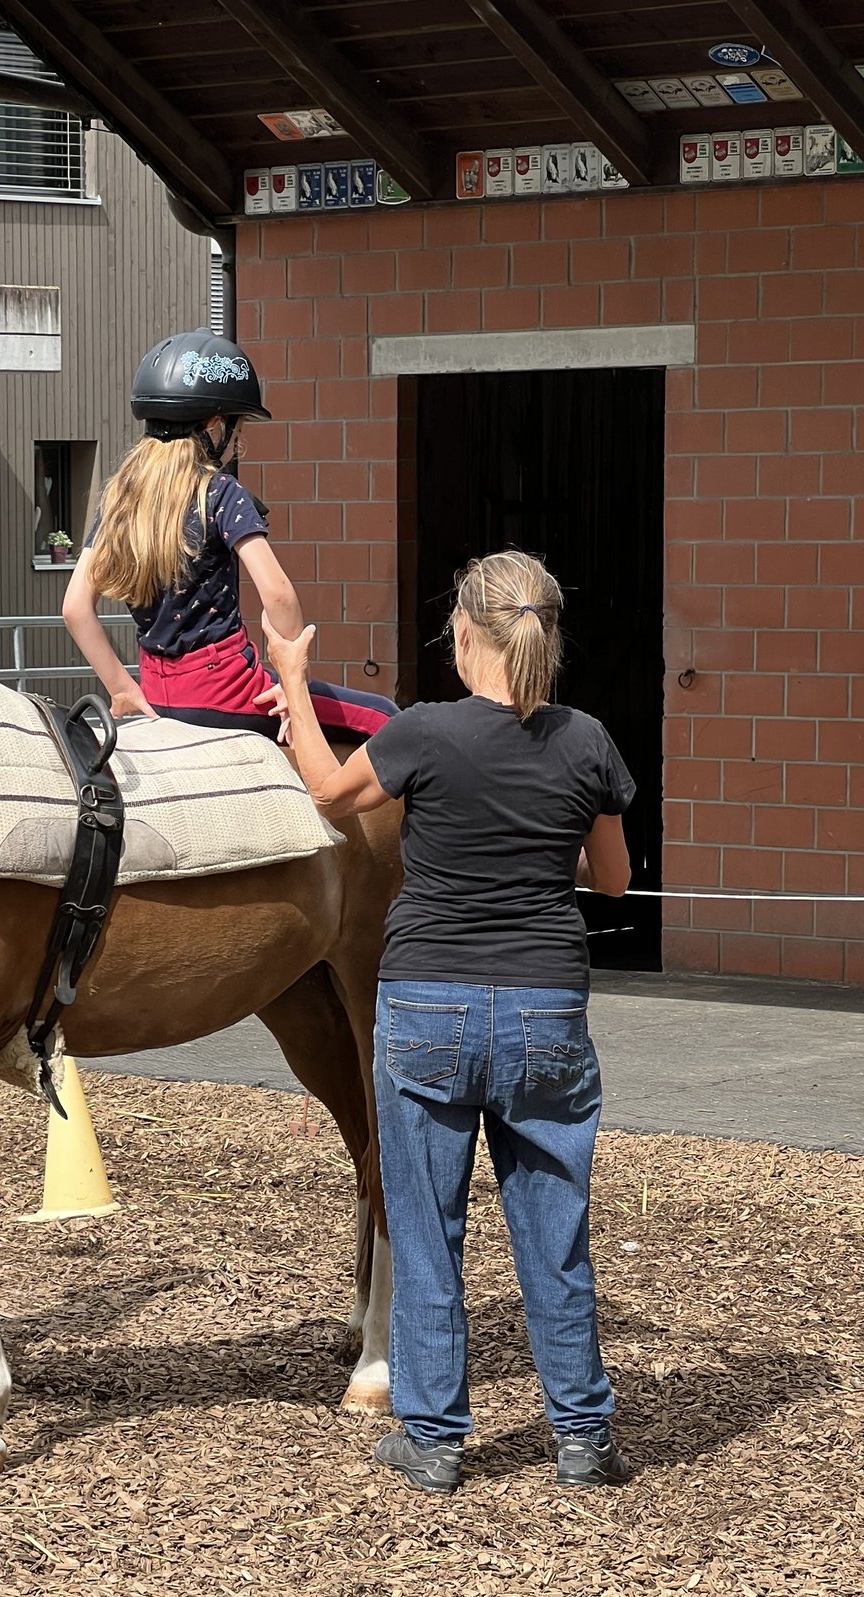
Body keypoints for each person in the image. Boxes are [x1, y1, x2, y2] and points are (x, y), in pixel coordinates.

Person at [260, 551, 635, 1495]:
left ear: (466, 635)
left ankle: (433, 1440)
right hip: (547, 1004)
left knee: (427, 1227)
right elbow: (616, 882)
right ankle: (583, 1437)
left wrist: (295, 684)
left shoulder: (421, 733)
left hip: (427, 999)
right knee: (555, 1232)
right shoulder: (587, 740)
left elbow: (323, 792)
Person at [62, 329, 394, 744]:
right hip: (231, 696)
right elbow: (279, 596)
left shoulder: (120, 498)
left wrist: (122, 688)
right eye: (237, 429)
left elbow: (75, 608)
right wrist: (293, 686)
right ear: (215, 426)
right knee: (387, 718)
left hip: (157, 699)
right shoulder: (219, 492)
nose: (239, 442)